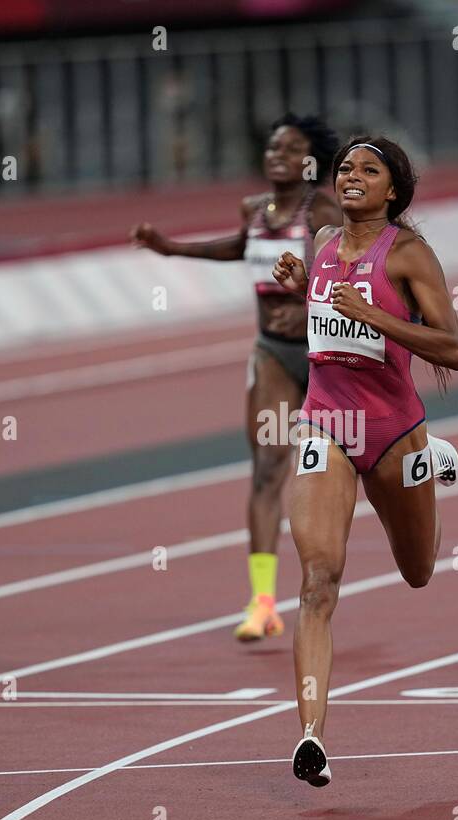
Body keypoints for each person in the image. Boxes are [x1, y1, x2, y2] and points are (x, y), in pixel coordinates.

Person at [271, 136, 458, 786]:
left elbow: (452, 350)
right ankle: (311, 738)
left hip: (393, 431)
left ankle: (429, 461)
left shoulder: (408, 254)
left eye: (368, 170)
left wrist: (378, 317)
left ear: (393, 190)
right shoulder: (324, 242)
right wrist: (305, 292)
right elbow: (332, 327)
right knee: (317, 583)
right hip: (326, 424)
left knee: (418, 571)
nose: (352, 177)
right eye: (346, 168)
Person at [131, 115, 341, 641]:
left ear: (311, 161)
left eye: (291, 149)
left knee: (337, 471)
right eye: (272, 146)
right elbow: (238, 246)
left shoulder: (325, 211)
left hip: (325, 356)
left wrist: (307, 288)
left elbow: (345, 273)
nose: (278, 155)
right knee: (269, 468)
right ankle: (263, 602)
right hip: (273, 355)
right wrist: (172, 248)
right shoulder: (255, 210)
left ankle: (330, 574)